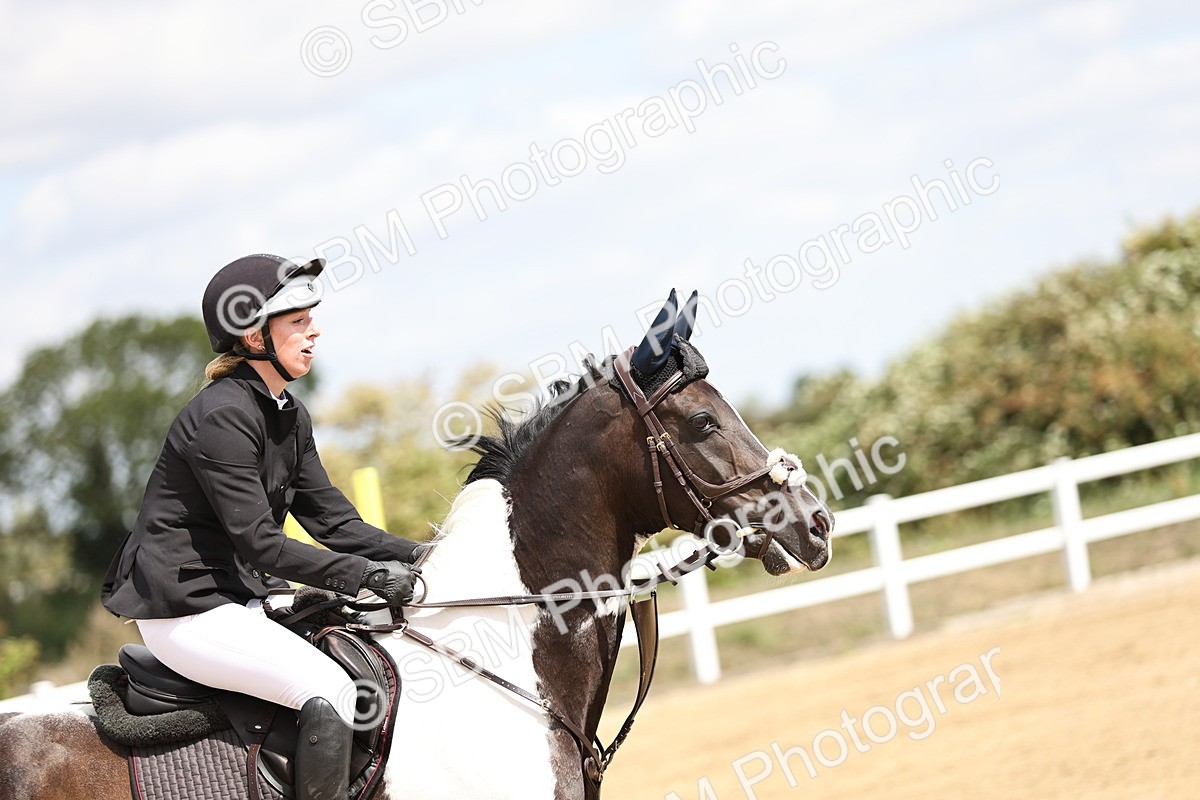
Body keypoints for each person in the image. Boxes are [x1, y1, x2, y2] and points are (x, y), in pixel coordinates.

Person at [101, 253, 422, 800]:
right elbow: (263, 545)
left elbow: (336, 523)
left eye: (311, 318)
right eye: (297, 321)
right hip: (186, 609)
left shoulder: (288, 414)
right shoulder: (222, 417)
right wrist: (366, 575)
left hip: (238, 599)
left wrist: (425, 554)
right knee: (332, 691)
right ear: (254, 337)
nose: (314, 330)